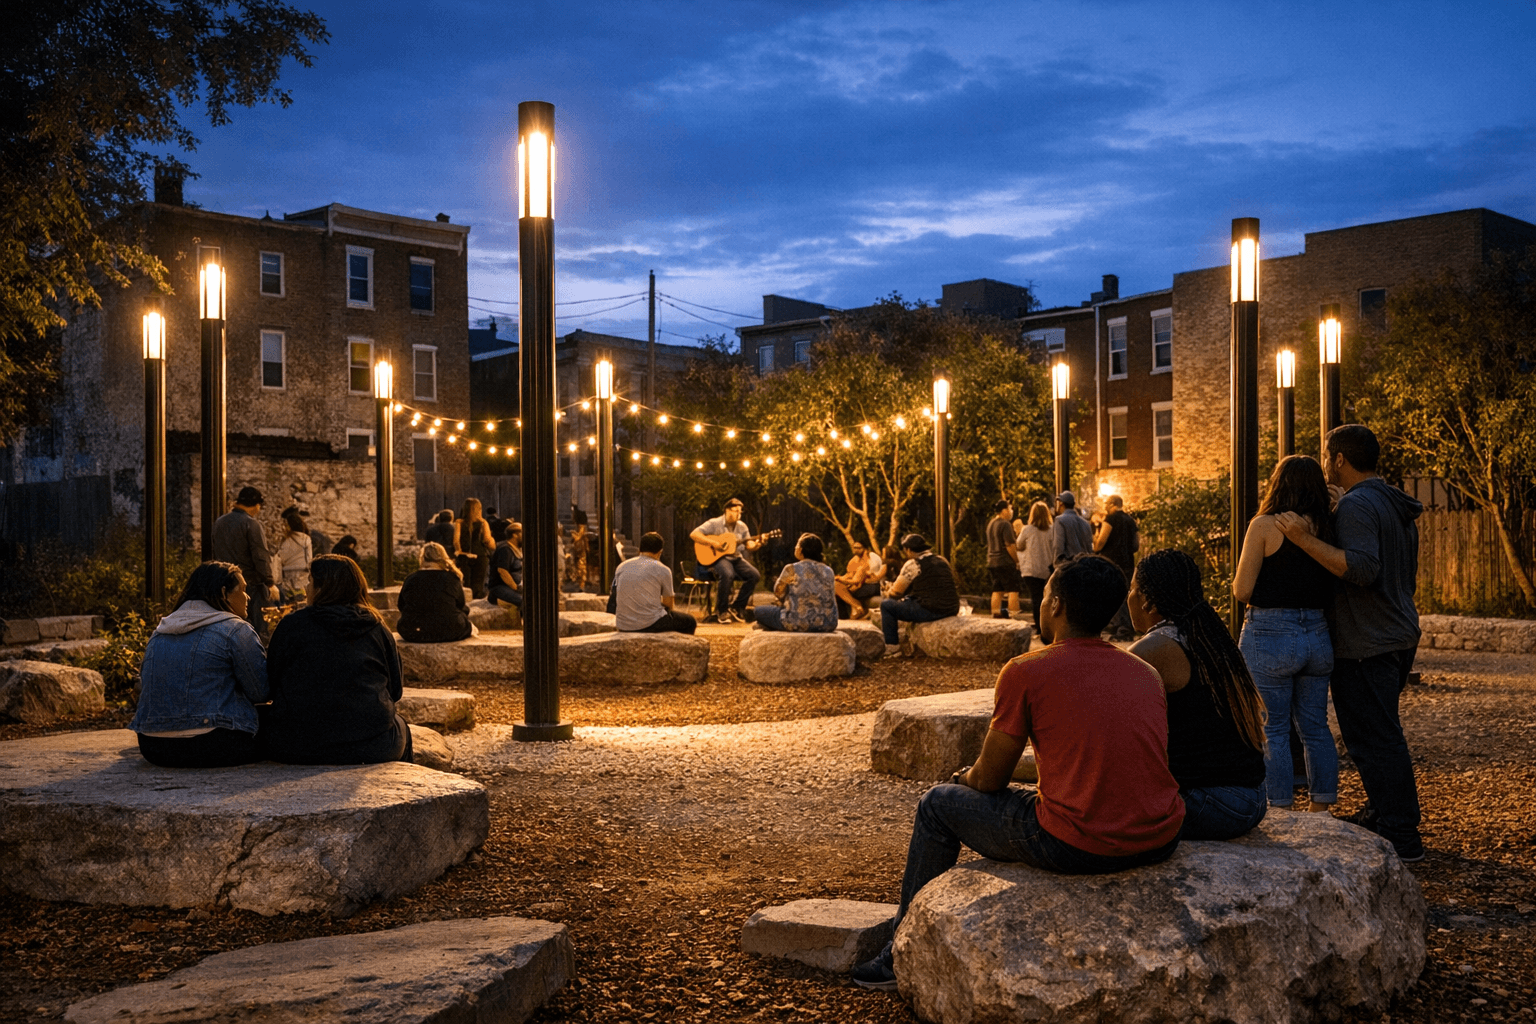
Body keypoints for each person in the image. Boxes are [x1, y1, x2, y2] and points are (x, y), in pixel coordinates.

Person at [851, 554, 1184, 991]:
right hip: (1159, 837)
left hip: (1080, 842)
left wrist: (962, 779)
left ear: (1058, 606)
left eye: (1045, 597)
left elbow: (989, 779)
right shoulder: (1144, 672)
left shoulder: (1026, 671)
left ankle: (898, 953)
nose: (1042, 605)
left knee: (936, 805)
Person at [1275, 424, 1425, 861]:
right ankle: (1381, 814)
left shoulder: (1359, 505)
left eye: (1327, 457)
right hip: (1398, 631)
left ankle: (1402, 834)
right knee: (1379, 733)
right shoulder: (1389, 500)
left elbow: (1361, 569)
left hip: (1367, 640)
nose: (1325, 465)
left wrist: (1303, 538)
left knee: (1375, 739)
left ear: (1339, 459)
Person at [1129, 550, 1269, 840]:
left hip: (1216, 803)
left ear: (1147, 600)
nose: (1127, 597)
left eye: (1132, 589)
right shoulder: (1203, 634)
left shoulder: (1152, 650)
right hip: (1250, 797)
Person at [1233, 455, 1340, 814]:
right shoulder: (1328, 526)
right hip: (1317, 633)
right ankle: (1322, 808)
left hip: (1270, 635)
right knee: (1315, 726)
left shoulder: (1264, 526)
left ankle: (1279, 808)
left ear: (1278, 484)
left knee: (1273, 729)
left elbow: (1242, 590)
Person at [260, 554, 413, 765]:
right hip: (372, 745)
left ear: (323, 588)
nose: (306, 588)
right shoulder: (376, 628)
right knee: (402, 727)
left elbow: (272, 681)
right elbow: (395, 691)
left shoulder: (292, 626)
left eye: (310, 581)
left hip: (298, 744)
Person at [130, 562, 269, 768]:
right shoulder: (235, 629)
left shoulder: (160, 631)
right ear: (224, 593)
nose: (247, 597)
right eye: (243, 590)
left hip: (153, 746)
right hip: (212, 744)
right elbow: (261, 692)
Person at [211, 485, 279, 638]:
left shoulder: (220, 522)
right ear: (256, 505)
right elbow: (260, 556)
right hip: (250, 584)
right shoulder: (251, 524)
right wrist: (270, 582)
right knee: (256, 630)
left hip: (223, 583)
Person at [878, 533, 960, 657]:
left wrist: (887, 591)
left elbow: (895, 593)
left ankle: (892, 647)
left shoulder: (913, 564)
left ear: (909, 550)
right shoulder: (942, 560)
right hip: (952, 608)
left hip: (931, 609)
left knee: (887, 605)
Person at [689, 498, 764, 624]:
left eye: (739, 512)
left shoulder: (742, 526)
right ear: (726, 510)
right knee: (727, 573)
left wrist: (757, 545)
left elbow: (748, 544)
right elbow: (694, 534)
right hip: (719, 557)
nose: (737, 515)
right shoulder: (714, 523)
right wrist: (713, 543)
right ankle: (721, 611)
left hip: (736, 557)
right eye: (735, 511)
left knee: (754, 575)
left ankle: (737, 607)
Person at [608, 531, 696, 634]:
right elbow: (669, 604)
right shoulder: (663, 569)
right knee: (689, 621)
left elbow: (615, 594)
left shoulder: (621, 566)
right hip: (649, 624)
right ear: (660, 552)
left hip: (623, 624)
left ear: (640, 549)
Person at [756, 533, 838, 632]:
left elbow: (779, 593)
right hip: (827, 623)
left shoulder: (791, 569)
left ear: (801, 550)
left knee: (759, 611)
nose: (795, 547)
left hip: (797, 622)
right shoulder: (828, 570)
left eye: (797, 545)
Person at [396, 542, 472, 643]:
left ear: (422, 558)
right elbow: (460, 604)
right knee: (463, 615)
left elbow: (401, 605)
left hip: (414, 631)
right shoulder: (452, 578)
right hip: (449, 630)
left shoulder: (411, 579)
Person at [1092, 493, 1141, 641]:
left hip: (1111, 562)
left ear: (1113, 504)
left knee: (1113, 595)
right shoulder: (1131, 521)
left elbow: (1100, 543)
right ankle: (1125, 626)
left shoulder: (1110, 519)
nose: (1105, 507)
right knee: (1126, 595)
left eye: (1107, 504)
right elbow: (1136, 545)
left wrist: (1096, 534)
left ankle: (1122, 629)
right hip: (1127, 562)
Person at [1017, 500, 1055, 633]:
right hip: (1047, 568)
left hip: (1030, 569)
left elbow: (1019, 545)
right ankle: (1048, 626)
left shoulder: (1027, 530)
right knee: (1048, 598)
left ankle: (1039, 627)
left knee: (1036, 598)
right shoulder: (1052, 530)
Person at [985, 499, 1022, 620]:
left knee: (997, 589)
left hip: (992, 561)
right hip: (1005, 562)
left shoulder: (991, 523)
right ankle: (1014, 615)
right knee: (1013, 589)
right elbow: (1009, 545)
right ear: (1004, 510)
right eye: (1010, 509)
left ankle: (996, 614)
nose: (1011, 511)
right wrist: (1017, 560)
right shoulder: (1005, 524)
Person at [454, 498, 495, 600]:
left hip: (464, 556)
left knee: (466, 585)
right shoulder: (483, 523)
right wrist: (493, 543)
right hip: (480, 556)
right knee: (478, 586)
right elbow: (487, 540)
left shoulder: (459, 522)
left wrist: (459, 551)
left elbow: (455, 541)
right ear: (478, 509)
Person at [834, 539, 882, 620]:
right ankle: (848, 613)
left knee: (839, 589)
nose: (856, 550)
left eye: (858, 548)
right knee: (836, 588)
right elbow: (850, 574)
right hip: (859, 583)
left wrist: (841, 580)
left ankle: (858, 606)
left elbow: (857, 580)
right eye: (854, 547)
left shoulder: (871, 559)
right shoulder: (855, 559)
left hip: (871, 585)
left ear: (865, 549)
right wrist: (840, 579)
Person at [274, 507, 313, 604]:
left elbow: (281, 558)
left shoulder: (286, 540)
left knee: (290, 601)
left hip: (287, 573)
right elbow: (309, 558)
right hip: (302, 574)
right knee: (302, 601)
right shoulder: (306, 538)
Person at [1050, 490, 1093, 570]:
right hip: (1084, 565)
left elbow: (1058, 545)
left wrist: (1056, 564)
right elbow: (1089, 547)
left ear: (1061, 504)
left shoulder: (1060, 520)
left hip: (1069, 566)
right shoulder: (1086, 523)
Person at [487, 520, 524, 611]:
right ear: (515, 535)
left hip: (512, 586)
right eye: (522, 533)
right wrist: (516, 588)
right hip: (499, 587)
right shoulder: (505, 550)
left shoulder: (517, 548)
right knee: (524, 601)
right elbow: (502, 571)